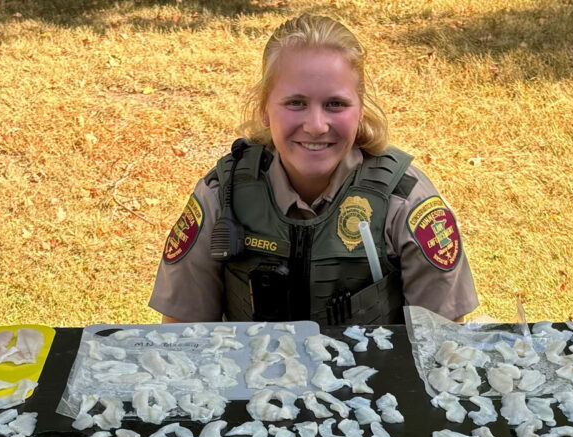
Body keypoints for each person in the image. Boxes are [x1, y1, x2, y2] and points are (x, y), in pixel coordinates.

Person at [150, 14, 479, 326]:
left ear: (360, 110)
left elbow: (442, 343)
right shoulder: (222, 196)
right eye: (296, 103)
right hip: (249, 367)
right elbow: (182, 337)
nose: (316, 126)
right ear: (264, 108)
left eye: (336, 104)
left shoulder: (403, 201)